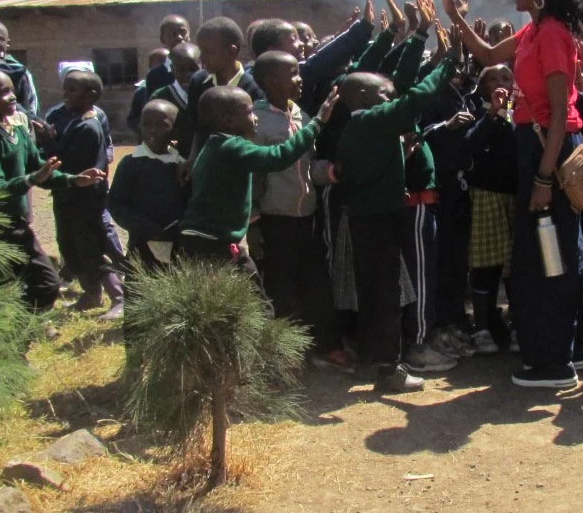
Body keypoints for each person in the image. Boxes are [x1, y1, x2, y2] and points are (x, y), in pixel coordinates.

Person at [441, 0, 583, 390]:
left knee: (548, 254)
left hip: (551, 152)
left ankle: (554, 361)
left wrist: (545, 178)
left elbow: (561, 116)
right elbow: (488, 56)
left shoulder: (551, 35)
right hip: (540, 149)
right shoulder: (535, 31)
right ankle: (567, 349)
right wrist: (455, 17)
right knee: (555, 249)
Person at [334, 52, 458, 393]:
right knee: (386, 295)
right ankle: (389, 370)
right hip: (380, 222)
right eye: (384, 95)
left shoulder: (354, 129)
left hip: (364, 220)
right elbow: (416, 96)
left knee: (372, 293)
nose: (391, 99)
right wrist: (449, 63)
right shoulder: (374, 120)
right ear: (363, 98)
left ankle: (370, 362)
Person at [0, 66, 102, 311]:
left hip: (15, 221)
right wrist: (31, 180)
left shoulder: (16, 128)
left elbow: (40, 168)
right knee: (14, 283)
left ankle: (28, 323)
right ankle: (23, 328)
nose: (13, 96)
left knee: (44, 281)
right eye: (4, 92)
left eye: (12, 90)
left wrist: (72, 179)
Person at [175, 85, 337, 288]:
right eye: (250, 112)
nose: (256, 118)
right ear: (228, 121)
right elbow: (278, 157)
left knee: (247, 302)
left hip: (205, 241)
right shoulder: (232, 147)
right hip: (210, 245)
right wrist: (317, 122)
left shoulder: (213, 146)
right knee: (250, 304)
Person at [250, 50, 341, 368]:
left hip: (307, 216)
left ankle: (326, 345)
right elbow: (254, 175)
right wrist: (253, 223)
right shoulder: (257, 120)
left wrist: (331, 172)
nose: (300, 78)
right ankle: (286, 357)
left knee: (316, 283)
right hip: (276, 219)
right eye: (292, 73)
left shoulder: (300, 113)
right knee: (281, 288)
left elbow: (306, 166)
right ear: (268, 81)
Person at [48, 70, 126, 319]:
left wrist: (47, 141)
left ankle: (118, 295)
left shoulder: (89, 126)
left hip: (86, 199)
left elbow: (67, 161)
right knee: (68, 246)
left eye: (72, 90)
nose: (65, 95)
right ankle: (91, 293)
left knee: (91, 246)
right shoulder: (64, 117)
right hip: (66, 195)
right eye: (65, 88)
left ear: (91, 95)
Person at [463, 65, 517, 355]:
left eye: (506, 78)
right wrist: (493, 113)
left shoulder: (522, 111)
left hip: (516, 197)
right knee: (486, 264)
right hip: (486, 195)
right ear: (482, 87)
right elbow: (470, 144)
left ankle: (518, 323)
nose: (500, 84)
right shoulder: (477, 111)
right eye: (492, 80)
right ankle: (482, 327)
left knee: (516, 266)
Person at [108, 99, 188, 273]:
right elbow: (116, 204)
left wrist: (178, 229)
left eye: (161, 125)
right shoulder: (131, 164)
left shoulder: (181, 166)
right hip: (141, 243)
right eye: (146, 124)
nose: (152, 130)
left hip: (178, 245)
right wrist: (145, 228)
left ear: (175, 130)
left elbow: (190, 202)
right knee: (139, 291)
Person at [179, 17, 265, 157]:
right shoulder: (199, 82)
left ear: (232, 51)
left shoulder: (254, 88)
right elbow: (196, 129)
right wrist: (192, 159)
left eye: (207, 51)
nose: (202, 58)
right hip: (206, 165)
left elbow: (257, 136)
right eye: (201, 51)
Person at [141, 14, 192, 98]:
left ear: (189, 35)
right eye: (173, 34)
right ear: (162, 39)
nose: (179, 37)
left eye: (183, 33)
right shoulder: (155, 76)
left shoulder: (201, 69)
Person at [125, 48, 171, 133]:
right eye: (159, 64)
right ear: (150, 67)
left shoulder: (174, 89)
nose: (163, 69)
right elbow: (132, 119)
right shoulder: (141, 92)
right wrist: (146, 128)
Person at [148, 42, 199, 117]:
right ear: (172, 69)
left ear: (203, 66)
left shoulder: (208, 93)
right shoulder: (160, 96)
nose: (187, 75)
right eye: (181, 70)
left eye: (193, 69)